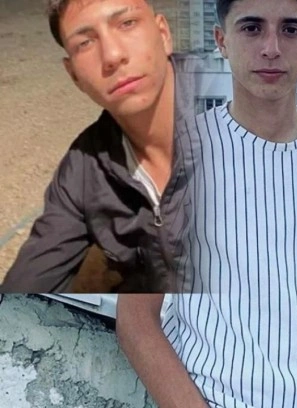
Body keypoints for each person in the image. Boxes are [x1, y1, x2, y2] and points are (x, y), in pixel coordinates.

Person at [116, 0, 297, 407]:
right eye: (252, 28)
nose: (271, 48)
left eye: (290, 29)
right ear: (222, 40)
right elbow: (136, 319)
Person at [0, 0, 200, 293]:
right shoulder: (85, 169)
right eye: (85, 43)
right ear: (74, 75)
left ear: (163, 34)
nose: (112, 56)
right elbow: (21, 298)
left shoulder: (251, 112)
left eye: (127, 24)